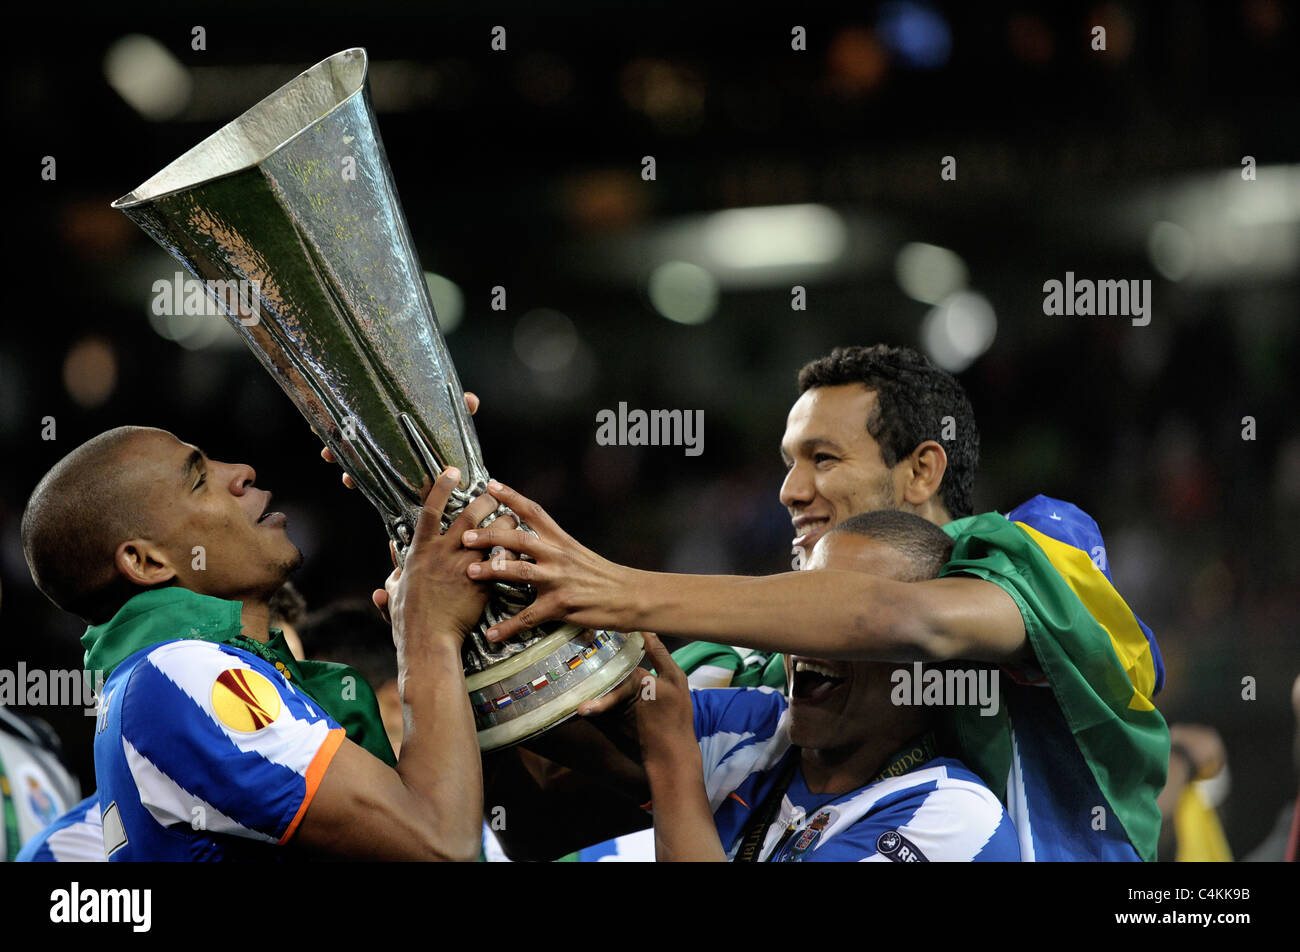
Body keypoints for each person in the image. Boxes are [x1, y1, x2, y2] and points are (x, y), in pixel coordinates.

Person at [462, 345, 1170, 861]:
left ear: (923, 469)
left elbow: (901, 618)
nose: (790, 490)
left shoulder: (1040, 547)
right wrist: (461, 547)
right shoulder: (771, 656)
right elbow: (578, 742)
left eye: (823, 459)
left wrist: (617, 588)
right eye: (788, 461)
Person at [21, 426, 491, 860]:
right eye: (199, 480)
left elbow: (524, 832)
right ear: (146, 562)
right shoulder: (177, 675)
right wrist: (427, 634)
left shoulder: (164, 680)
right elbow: (442, 842)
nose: (241, 473)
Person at [627, 512, 1020, 861]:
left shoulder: (955, 816)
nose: (808, 639)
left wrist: (671, 757)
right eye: (805, 611)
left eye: (845, 623)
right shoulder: (761, 723)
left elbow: (665, 739)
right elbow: (585, 722)